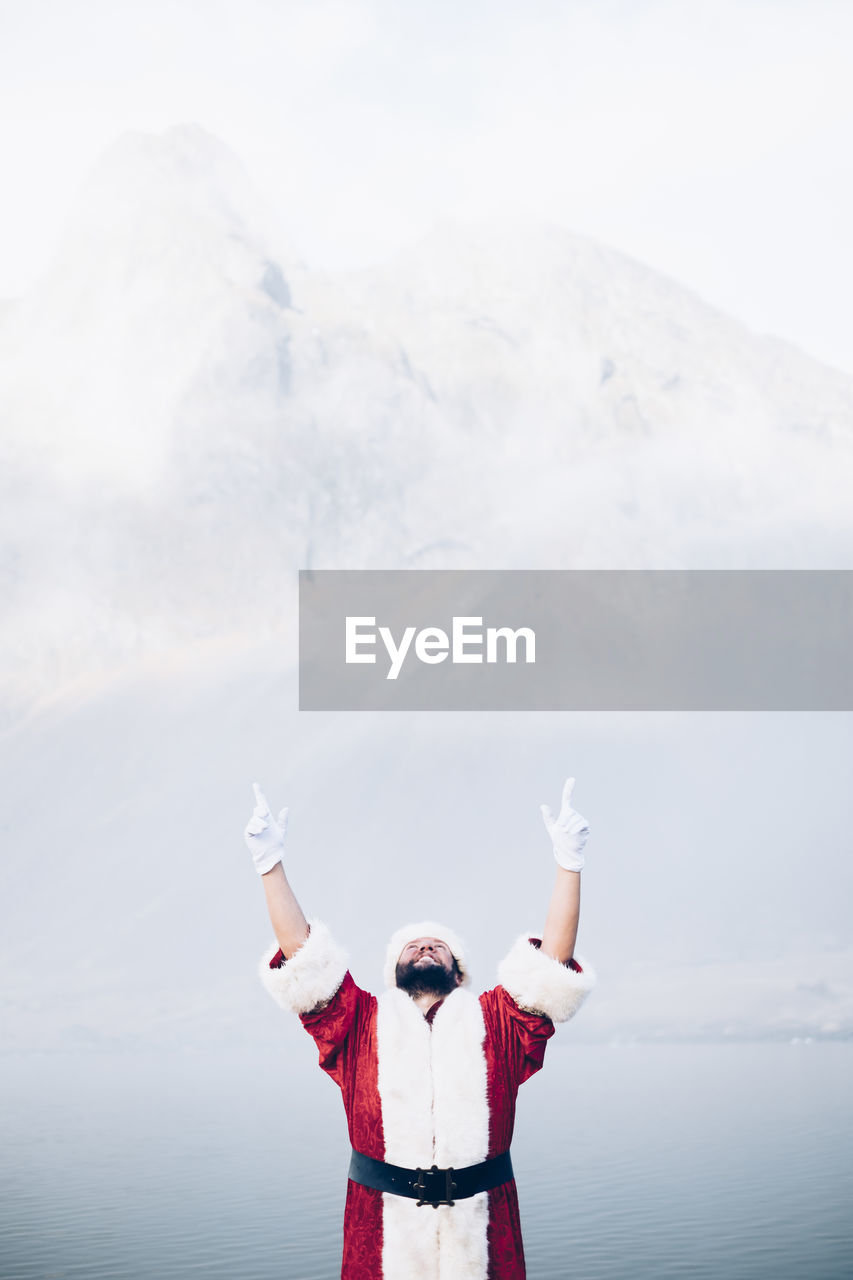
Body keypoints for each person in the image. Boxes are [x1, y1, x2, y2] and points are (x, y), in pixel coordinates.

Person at [246, 775, 595, 1280]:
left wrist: (570, 863)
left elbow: (550, 970)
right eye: (413, 946)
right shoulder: (359, 1023)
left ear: (458, 971)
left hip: (485, 1236)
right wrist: (268, 865)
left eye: (438, 945)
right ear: (394, 972)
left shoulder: (498, 1023)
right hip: (381, 1238)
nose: (425, 948)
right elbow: (307, 961)